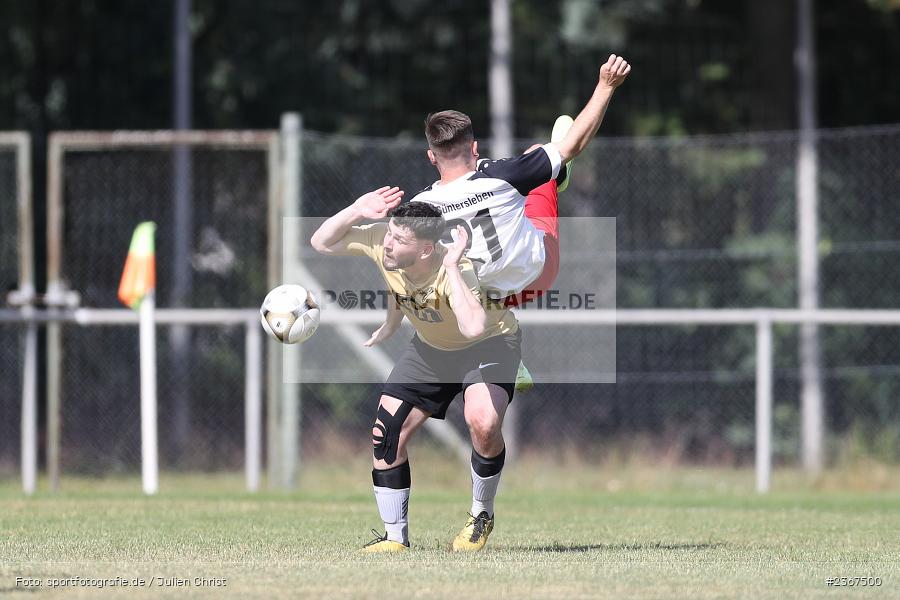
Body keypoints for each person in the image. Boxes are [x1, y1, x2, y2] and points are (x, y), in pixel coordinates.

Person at [368, 54, 631, 389]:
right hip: (536, 276)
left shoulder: (421, 207)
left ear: (431, 157)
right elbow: (573, 144)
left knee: (446, 286)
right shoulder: (503, 175)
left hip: (481, 303)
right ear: (475, 148)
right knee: (540, 154)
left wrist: (393, 320)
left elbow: (399, 267)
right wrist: (606, 86)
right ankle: (555, 175)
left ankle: (505, 353)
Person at [311, 193, 523, 553]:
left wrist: (452, 266)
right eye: (389, 233)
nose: (388, 243)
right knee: (385, 433)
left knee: (483, 422)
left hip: (488, 345)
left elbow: (473, 327)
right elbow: (321, 242)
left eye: (399, 239)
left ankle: (481, 514)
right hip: (431, 350)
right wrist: (357, 210)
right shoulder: (384, 242)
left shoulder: (457, 268)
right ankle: (395, 538)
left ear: (426, 249)